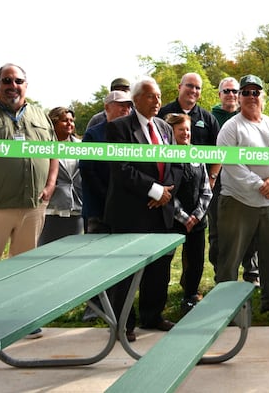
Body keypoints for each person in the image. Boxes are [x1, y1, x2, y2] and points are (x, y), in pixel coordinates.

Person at [104, 77, 179, 341]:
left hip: (161, 210)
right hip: (131, 211)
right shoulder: (118, 128)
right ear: (135, 100)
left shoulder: (165, 128)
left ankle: (153, 315)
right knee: (127, 271)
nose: (157, 101)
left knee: (159, 269)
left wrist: (167, 192)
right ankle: (124, 323)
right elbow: (121, 169)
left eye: (158, 96)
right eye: (150, 96)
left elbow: (174, 163)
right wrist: (154, 190)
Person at [216, 74, 269, 315]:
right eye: (246, 93)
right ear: (239, 98)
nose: (251, 97)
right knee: (230, 255)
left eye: (256, 92)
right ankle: (224, 306)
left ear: (263, 97)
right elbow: (230, 164)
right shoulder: (230, 128)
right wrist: (257, 184)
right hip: (238, 200)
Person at [0, 64, 58, 268]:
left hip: (32, 207)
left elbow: (54, 153)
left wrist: (50, 186)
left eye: (18, 81)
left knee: (23, 269)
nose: (12, 85)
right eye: (7, 81)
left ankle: (15, 302)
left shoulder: (40, 115)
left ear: (26, 85)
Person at [209, 76, 260, 285]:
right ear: (220, 95)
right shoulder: (210, 118)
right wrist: (211, 176)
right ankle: (222, 275)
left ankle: (252, 272)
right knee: (218, 232)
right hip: (218, 184)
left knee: (250, 229)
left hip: (248, 183)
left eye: (234, 91)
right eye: (226, 91)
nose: (231, 94)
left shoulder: (250, 117)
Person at [165, 112, 213, 316]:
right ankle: (158, 298)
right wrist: (184, 217)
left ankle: (191, 296)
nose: (185, 133)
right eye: (181, 129)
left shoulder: (196, 153)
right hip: (172, 220)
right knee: (163, 263)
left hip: (197, 220)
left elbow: (206, 188)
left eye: (188, 130)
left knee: (195, 261)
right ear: (171, 131)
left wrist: (197, 215)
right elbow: (166, 188)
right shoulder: (165, 154)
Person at [79, 90, 133, 233]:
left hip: (127, 208)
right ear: (107, 107)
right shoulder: (93, 134)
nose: (126, 109)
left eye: (128, 106)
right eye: (121, 105)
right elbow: (87, 170)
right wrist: (108, 195)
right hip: (98, 209)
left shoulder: (133, 134)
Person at [38, 107, 83, 245]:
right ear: (54, 123)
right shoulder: (44, 146)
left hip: (77, 207)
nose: (69, 123)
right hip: (52, 208)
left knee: (71, 253)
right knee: (45, 251)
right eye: (64, 121)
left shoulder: (82, 146)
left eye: (71, 120)